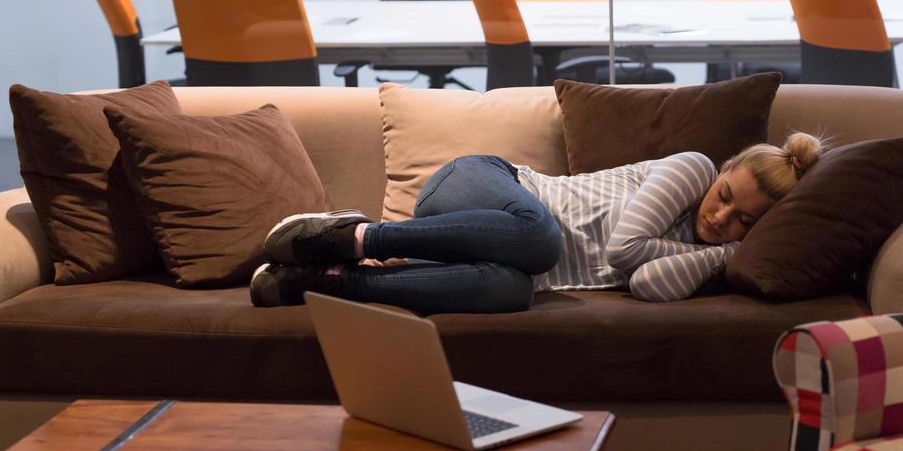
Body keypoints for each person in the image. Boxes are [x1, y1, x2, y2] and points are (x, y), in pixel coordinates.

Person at [250, 132, 824, 314]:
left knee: (517, 288)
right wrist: (721, 251)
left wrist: (725, 256)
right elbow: (626, 254)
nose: (719, 216)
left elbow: (648, 286)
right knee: (543, 238)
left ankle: (324, 285)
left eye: (742, 221)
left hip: (499, 256)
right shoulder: (690, 170)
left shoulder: (709, 255)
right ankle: (353, 235)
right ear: (721, 172)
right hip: (483, 188)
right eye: (725, 196)